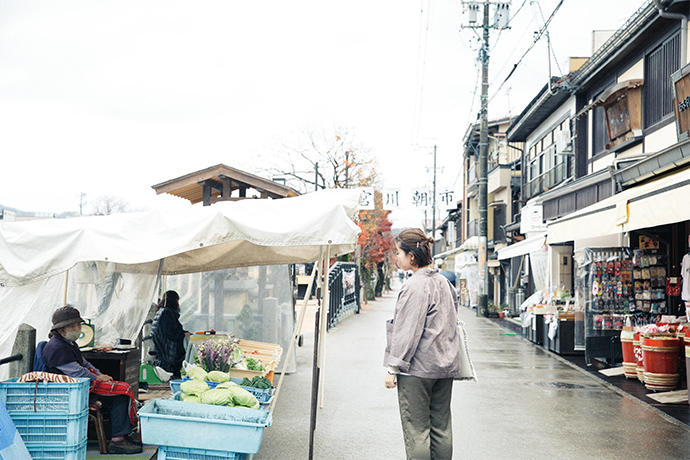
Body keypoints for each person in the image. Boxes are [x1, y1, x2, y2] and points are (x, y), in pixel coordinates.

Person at [383, 228, 463, 460]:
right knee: (441, 428)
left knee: (417, 431)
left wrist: (393, 367)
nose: (395, 257)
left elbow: (408, 330)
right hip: (445, 365)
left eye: (398, 252)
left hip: (418, 369)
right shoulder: (444, 283)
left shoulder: (414, 286)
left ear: (411, 257)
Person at [41, 306, 142, 455]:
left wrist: (100, 375)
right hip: (70, 394)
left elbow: (85, 364)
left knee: (122, 388)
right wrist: (97, 378)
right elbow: (77, 371)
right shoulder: (57, 347)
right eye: (72, 326)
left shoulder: (69, 343)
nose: (78, 328)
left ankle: (122, 435)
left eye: (78, 325)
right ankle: (118, 441)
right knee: (119, 395)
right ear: (61, 330)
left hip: (81, 388)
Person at [150, 290, 191, 379]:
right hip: (169, 350)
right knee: (189, 354)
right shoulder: (167, 313)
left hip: (162, 348)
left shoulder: (161, 311)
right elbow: (170, 332)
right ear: (174, 300)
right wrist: (182, 334)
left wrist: (183, 333)